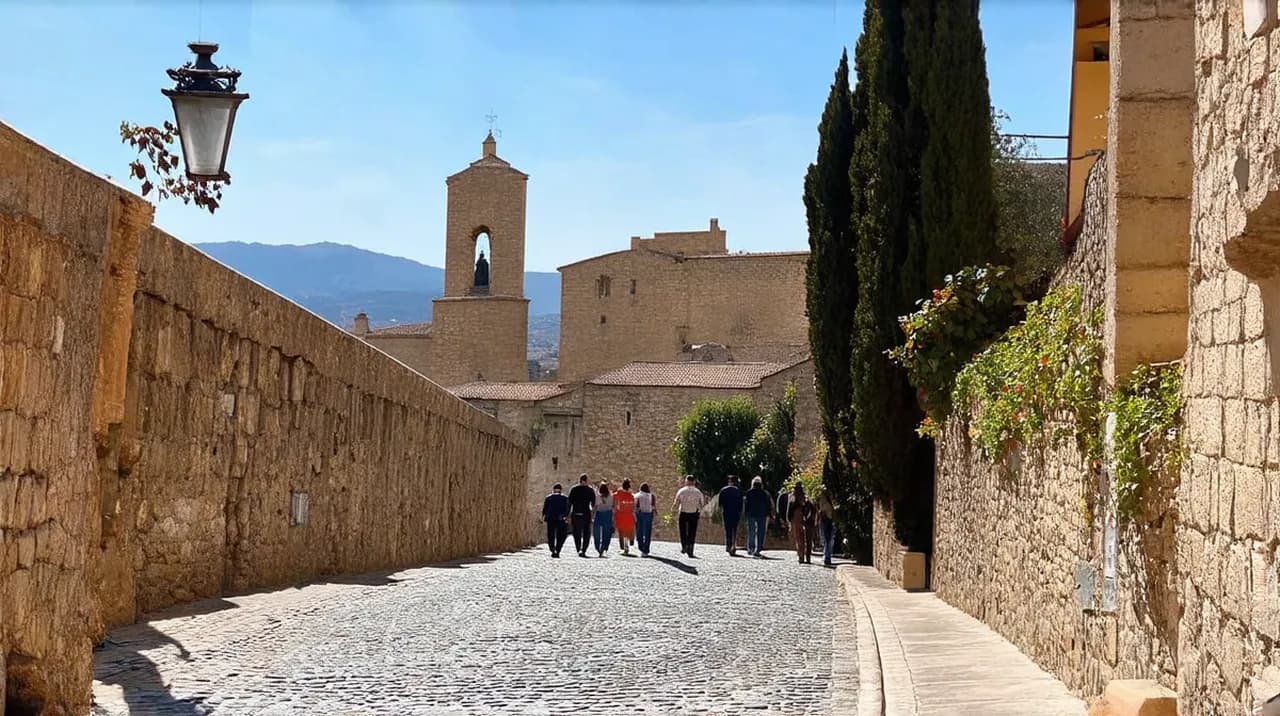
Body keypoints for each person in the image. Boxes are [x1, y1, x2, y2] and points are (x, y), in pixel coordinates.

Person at [673, 475, 706, 557]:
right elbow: (702, 503)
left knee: (682, 530)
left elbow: (676, 502)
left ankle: (684, 546)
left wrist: (673, 510)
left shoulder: (681, 491)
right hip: (694, 513)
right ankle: (690, 549)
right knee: (692, 531)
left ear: (686, 481)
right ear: (694, 482)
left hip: (683, 512)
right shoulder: (698, 492)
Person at [744, 476, 774, 557]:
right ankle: (758, 549)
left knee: (751, 531)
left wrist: (746, 513)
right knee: (761, 532)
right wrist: (769, 514)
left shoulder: (749, 493)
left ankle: (751, 548)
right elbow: (768, 505)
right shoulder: (765, 493)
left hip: (752, 514)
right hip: (762, 514)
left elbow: (746, 504)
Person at [568, 474, 596, 558]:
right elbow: (593, 503)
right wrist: (593, 514)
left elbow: (569, 503)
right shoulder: (590, 490)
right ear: (586, 480)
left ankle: (578, 549)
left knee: (577, 533)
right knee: (586, 533)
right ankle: (584, 550)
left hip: (576, 513)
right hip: (586, 514)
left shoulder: (574, 489)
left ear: (579, 480)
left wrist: (567, 514)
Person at [787, 482, 814, 564]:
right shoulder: (807, 498)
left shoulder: (793, 498)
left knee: (799, 539)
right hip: (808, 521)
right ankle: (808, 557)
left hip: (797, 520)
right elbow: (812, 509)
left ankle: (801, 556)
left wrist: (789, 520)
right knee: (808, 539)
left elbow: (789, 511)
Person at [541, 483, 570, 558]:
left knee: (551, 535)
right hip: (560, 518)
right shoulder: (565, 498)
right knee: (561, 535)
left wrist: (543, 516)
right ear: (561, 490)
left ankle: (552, 549)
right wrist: (566, 516)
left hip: (550, 518)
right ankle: (558, 549)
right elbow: (567, 509)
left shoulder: (548, 498)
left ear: (553, 489)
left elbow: (545, 509)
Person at [718, 475, 744, 556]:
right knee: (734, 530)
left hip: (726, 512)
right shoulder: (739, 490)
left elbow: (720, 503)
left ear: (730, 482)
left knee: (727, 529)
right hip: (736, 512)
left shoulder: (723, 490)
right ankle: (733, 546)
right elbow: (741, 503)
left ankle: (728, 546)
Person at [614, 479, 637, 556]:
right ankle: (626, 546)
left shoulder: (619, 493)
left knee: (621, 531)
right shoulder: (631, 495)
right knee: (627, 531)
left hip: (621, 515)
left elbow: (614, 497)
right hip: (629, 515)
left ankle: (624, 547)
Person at [816, 485, 837, 567]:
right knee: (827, 539)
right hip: (827, 520)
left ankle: (827, 557)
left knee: (827, 539)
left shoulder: (825, 499)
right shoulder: (825, 499)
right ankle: (827, 556)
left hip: (827, 520)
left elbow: (821, 510)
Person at [592, 482, 615, 557]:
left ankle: (597, 546)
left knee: (597, 532)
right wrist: (613, 518)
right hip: (608, 514)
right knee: (607, 533)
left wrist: (592, 516)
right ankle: (604, 547)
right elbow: (613, 506)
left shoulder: (598, 496)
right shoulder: (611, 496)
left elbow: (595, 507)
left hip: (599, 514)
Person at [635, 483, 657, 557]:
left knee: (639, 531)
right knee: (647, 533)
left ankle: (641, 547)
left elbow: (635, 506)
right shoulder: (652, 496)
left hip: (640, 514)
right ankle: (646, 549)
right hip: (648, 514)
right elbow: (653, 506)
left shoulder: (637, 495)